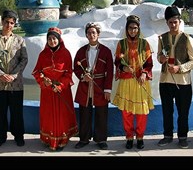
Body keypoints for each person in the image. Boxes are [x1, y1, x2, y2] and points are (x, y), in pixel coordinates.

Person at [0, 10, 28, 148]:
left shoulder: (20, 40)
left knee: (17, 112)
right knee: (0, 112)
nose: (8, 25)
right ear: (2, 21)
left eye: (12, 23)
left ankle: (19, 136)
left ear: (14, 24)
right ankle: (1, 136)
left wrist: (14, 75)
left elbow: (24, 59)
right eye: (6, 22)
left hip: (16, 84)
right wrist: (0, 74)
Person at [32, 27, 78, 151]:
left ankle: (62, 139)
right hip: (47, 92)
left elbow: (69, 73)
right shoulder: (43, 54)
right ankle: (49, 139)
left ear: (59, 39)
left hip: (62, 91)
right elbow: (37, 71)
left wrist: (60, 86)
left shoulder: (66, 53)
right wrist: (43, 81)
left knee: (62, 115)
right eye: (50, 39)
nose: (52, 41)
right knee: (48, 115)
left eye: (54, 38)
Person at [157, 6, 193, 149]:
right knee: (167, 111)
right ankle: (167, 136)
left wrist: (179, 68)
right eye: (170, 22)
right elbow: (158, 57)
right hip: (165, 80)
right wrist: (161, 59)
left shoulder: (187, 39)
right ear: (167, 23)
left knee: (183, 111)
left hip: (183, 82)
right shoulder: (162, 38)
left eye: (175, 22)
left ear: (179, 22)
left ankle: (182, 137)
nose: (173, 25)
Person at [113, 15, 154, 150]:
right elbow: (117, 62)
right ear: (126, 29)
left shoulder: (145, 44)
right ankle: (129, 137)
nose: (133, 31)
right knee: (127, 112)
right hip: (126, 81)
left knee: (142, 112)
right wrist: (123, 67)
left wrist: (144, 73)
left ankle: (140, 137)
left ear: (138, 28)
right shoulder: (121, 44)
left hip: (140, 82)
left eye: (135, 28)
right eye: (130, 28)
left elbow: (149, 64)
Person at [73, 22, 114, 150]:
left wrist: (107, 89)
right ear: (86, 35)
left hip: (100, 86)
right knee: (84, 113)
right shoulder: (81, 51)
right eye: (89, 33)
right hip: (85, 86)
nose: (91, 35)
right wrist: (82, 77)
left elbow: (110, 72)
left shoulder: (106, 51)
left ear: (98, 34)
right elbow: (76, 68)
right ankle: (84, 139)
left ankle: (101, 139)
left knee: (102, 113)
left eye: (94, 33)